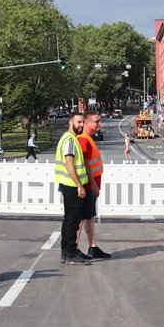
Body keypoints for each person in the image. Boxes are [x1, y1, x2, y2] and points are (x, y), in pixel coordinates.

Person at [55, 111, 91, 265]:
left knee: (69, 219)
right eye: (79, 122)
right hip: (72, 185)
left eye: (83, 122)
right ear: (71, 123)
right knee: (73, 221)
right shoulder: (70, 140)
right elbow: (70, 165)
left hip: (69, 184)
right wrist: (79, 185)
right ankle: (70, 252)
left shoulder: (71, 139)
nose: (81, 125)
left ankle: (67, 251)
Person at [76, 112, 111, 259]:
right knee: (81, 217)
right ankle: (73, 248)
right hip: (88, 186)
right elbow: (86, 165)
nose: (99, 124)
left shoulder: (88, 138)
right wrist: (91, 186)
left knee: (89, 216)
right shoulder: (84, 140)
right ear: (87, 123)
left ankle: (93, 246)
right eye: (97, 121)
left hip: (91, 185)